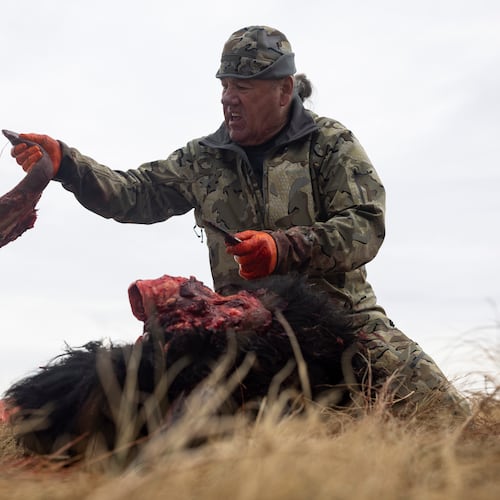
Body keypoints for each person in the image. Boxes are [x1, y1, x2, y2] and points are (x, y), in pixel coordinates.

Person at [11, 25, 469, 417]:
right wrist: (67, 163)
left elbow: (366, 226)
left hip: (342, 321)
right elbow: (134, 196)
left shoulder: (331, 143)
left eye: (244, 88)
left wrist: (282, 248)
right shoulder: (201, 159)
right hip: (239, 329)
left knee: (447, 417)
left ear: (284, 89)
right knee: (137, 407)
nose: (229, 99)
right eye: (225, 85)